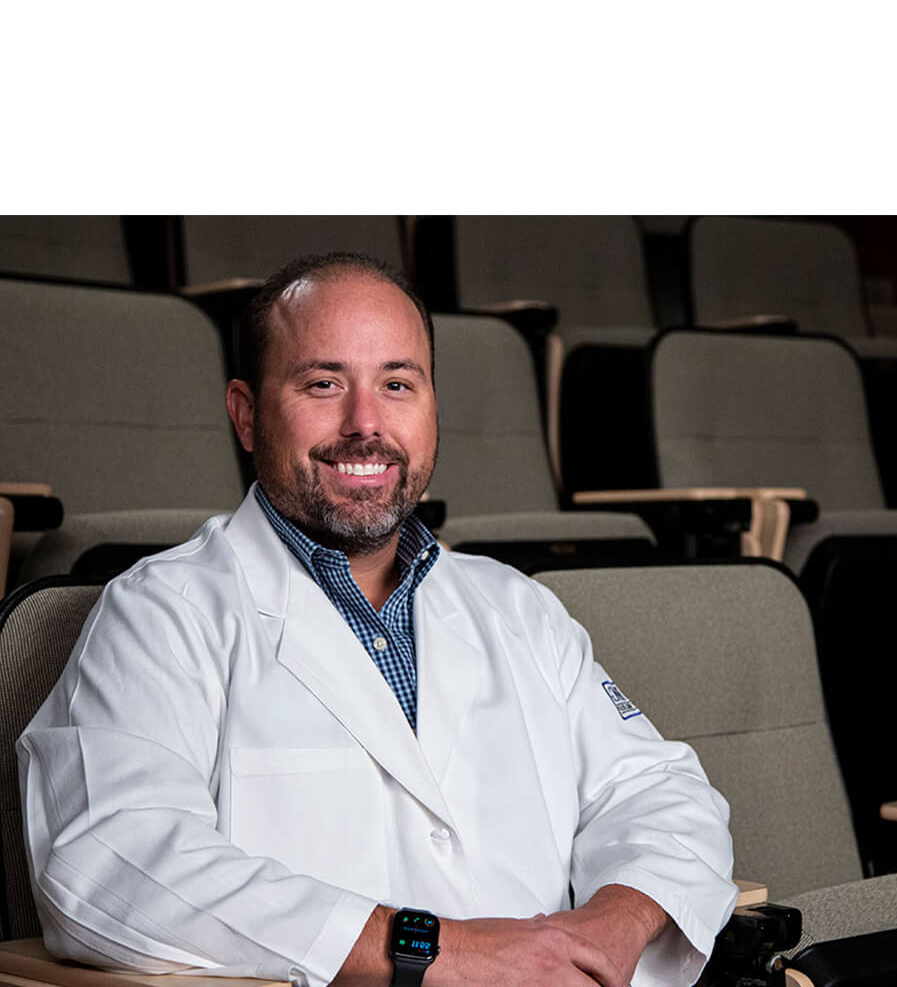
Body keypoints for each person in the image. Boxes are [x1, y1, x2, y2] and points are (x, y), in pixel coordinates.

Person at [19, 254, 736, 987]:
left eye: (397, 384)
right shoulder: (163, 614)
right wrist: (436, 952)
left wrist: (609, 926)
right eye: (323, 383)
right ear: (245, 413)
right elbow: (108, 859)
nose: (366, 424)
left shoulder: (516, 607)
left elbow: (660, 793)